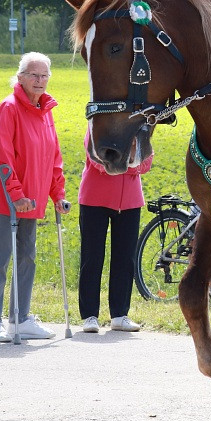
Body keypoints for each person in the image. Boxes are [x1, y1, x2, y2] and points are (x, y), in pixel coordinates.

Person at [0, 52, 71, 342]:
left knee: (27, 257)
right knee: (0, 257)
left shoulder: (46, 111)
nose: (40, 80)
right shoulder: (9, 108)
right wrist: (15, 195)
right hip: (7, 196)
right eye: (33, 75)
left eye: (44, 75)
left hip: (33, 198)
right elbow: (2, 155)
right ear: (20, 77)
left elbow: (53, 157)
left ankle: (20, 318)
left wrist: (58, 194)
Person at [77, 131, 152, 333]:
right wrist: (131, 163)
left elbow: (146, 164)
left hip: (130, 201)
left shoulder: (140, 130)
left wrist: (123, 164)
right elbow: (98, 163)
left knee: (125, 259)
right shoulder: (98, 127)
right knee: (92, 258)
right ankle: (89, 315)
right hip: (94, 198)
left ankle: (119, 315)